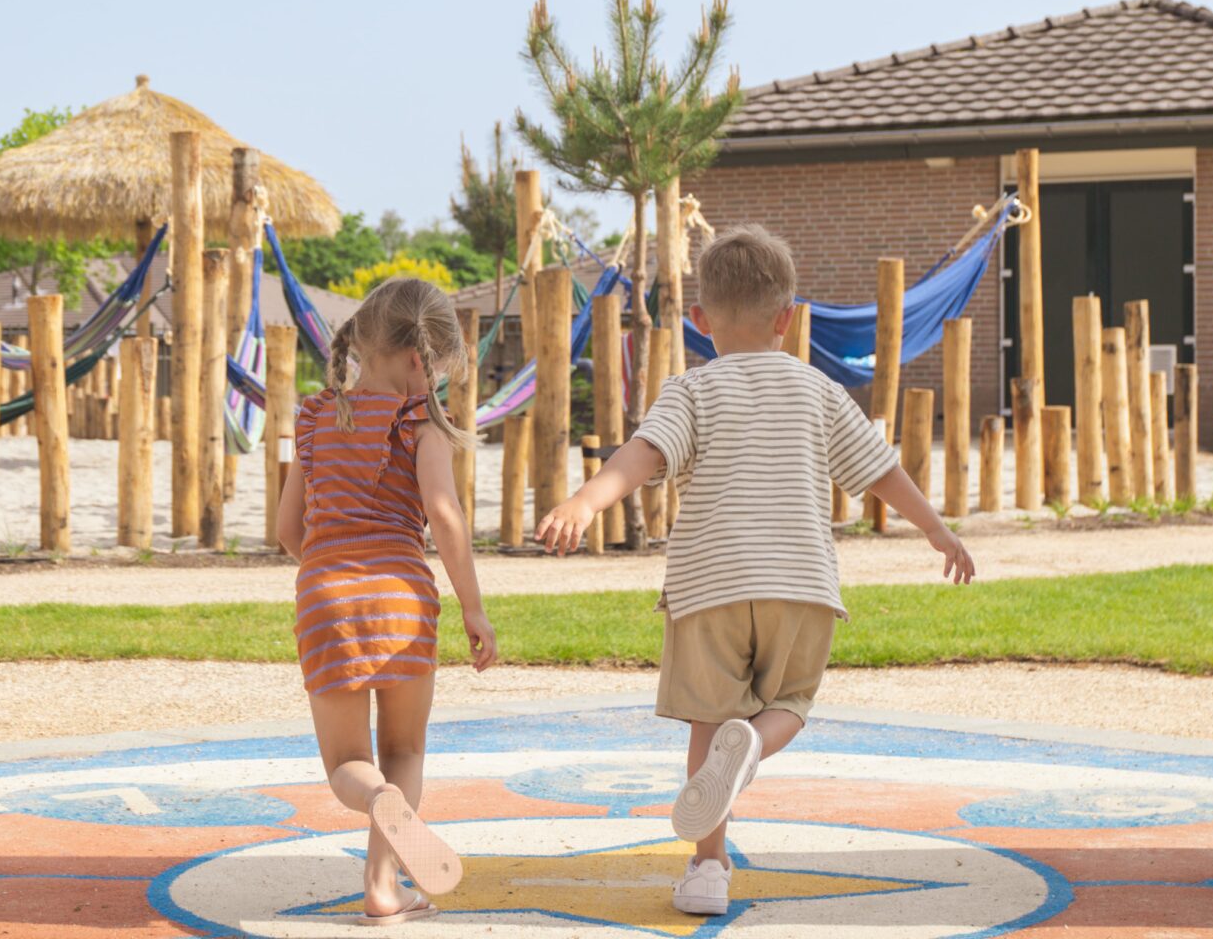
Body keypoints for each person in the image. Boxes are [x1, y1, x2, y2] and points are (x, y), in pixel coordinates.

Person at [536, 224, 976, 918]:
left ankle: (708, 868)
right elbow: (881, 471)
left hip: (709, 585)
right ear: (789, 317)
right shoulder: (818, 390)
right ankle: (756, 747)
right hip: (800, 584)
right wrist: (936, 529)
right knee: (789, 705)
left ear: (701, 320)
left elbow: (641, 456)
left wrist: (584, 501)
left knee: (709, 723)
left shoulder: (691, 391)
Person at [276, 277, 498, 926]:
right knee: (405, 751)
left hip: (324, 598)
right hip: (401, 596)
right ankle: (381, 883)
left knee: (350, 764)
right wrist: (473, 609)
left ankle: (377, 816)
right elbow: (444, 515)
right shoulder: (419, 421)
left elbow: (290, 533)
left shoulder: (315, 417)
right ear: (416, 361)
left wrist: (332, 570)